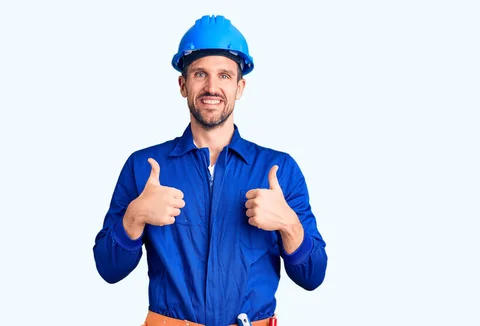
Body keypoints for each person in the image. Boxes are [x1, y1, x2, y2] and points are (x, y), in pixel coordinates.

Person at [92, 14, 328, 326]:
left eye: (225, 76)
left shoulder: (279, 170)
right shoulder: (145, 168)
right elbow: (109, 270)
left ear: (240, 87)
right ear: (183, 84)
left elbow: (313, 276)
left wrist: (288, 224)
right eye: (200, 74)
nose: (212, 87)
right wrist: (133, 218)